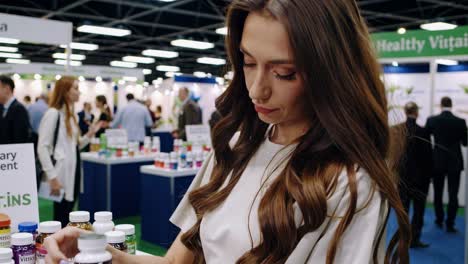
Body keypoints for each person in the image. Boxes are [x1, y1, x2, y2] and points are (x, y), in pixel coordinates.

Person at [44, 1, 410, 263]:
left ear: (331, 72)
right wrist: (99, 250)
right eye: (248, 63)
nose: (257, 89)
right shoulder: (236, 146)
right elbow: (176, 262)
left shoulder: (350, 183)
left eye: (284, 73)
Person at [37, 76, 99, 228]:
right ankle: (56, 248)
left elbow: (75, 145)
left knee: (69, 212)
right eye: (76, 88)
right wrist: (52, 177)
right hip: (61, 173)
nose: (79, 92)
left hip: (74, 171)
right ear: (65, 92)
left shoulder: (71, 117)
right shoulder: (53, 114)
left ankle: (65, 247)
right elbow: (42, 147)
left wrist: (90, 135)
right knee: (60, 215)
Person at [426, 97, 467, 233]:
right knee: (453, 194)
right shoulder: (461, 122)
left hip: (437, 161)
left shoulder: (432, 120)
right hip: (455, 162)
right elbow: (465, 143)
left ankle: (439, 219)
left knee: (438, 193)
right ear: (451, 105)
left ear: (441, 105)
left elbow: (426, 140)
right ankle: (450, 223)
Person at [397, 102, 433, 248]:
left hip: (402, 178)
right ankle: (415, 239)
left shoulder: (397, 131)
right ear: (416, 113)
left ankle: (402, 239)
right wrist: (429, 177)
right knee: (419, 211)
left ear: (405, 112)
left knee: (403, 211)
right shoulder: (423, 131)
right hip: (420, 180)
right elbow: (428, 158)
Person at [0, 75, 32, 144]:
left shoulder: (19, 109)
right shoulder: (2, 107)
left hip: (12, 153)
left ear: (7, 88)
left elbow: (20, 139)